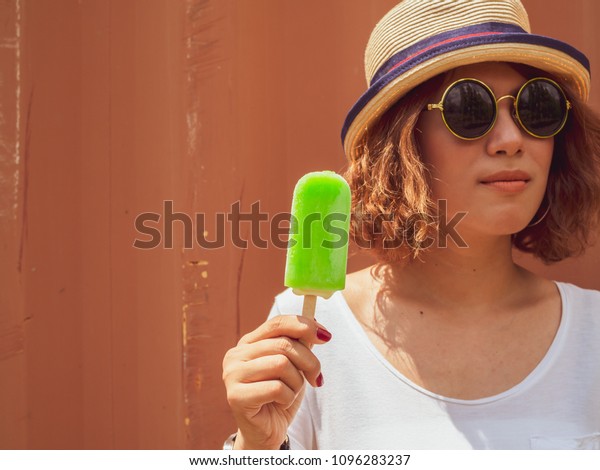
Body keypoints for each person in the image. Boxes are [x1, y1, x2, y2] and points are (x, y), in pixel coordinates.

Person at [222, 0, 600, 450]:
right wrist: (255, 447)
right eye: (469, 108)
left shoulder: (592, 334)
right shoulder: (311, 332)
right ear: (402, 144)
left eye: (536, 106)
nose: (512, 140)